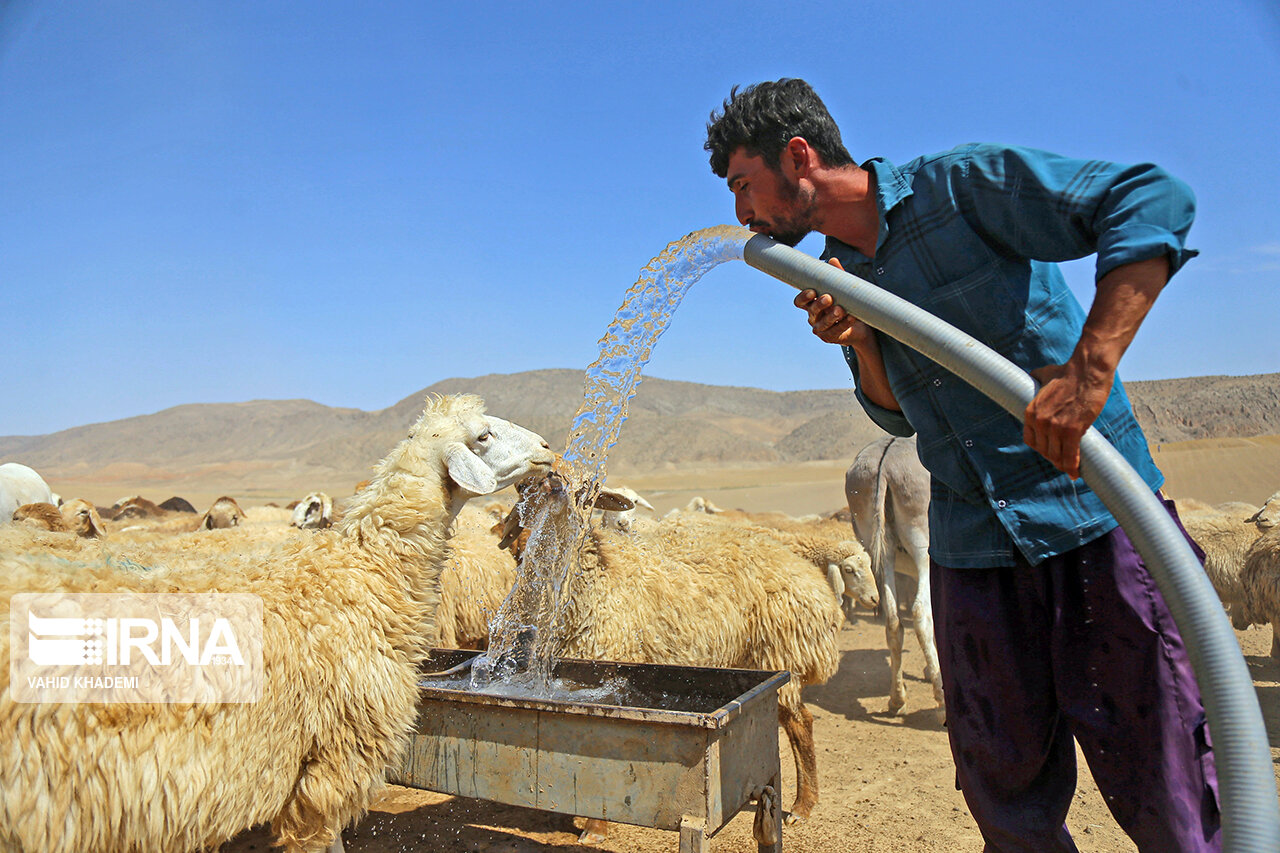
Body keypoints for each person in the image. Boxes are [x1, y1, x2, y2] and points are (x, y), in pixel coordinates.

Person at [704, 78, 1219, 853]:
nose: (744, 215)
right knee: (1003, 796)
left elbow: (1153, 198)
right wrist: (864, 341)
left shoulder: (960, 187)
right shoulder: (837, 273)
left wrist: (1087, 373)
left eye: (745, 185)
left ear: (799, 157)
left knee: (1168, 781)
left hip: (1092, 521)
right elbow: (895, 415)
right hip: (972, 551)